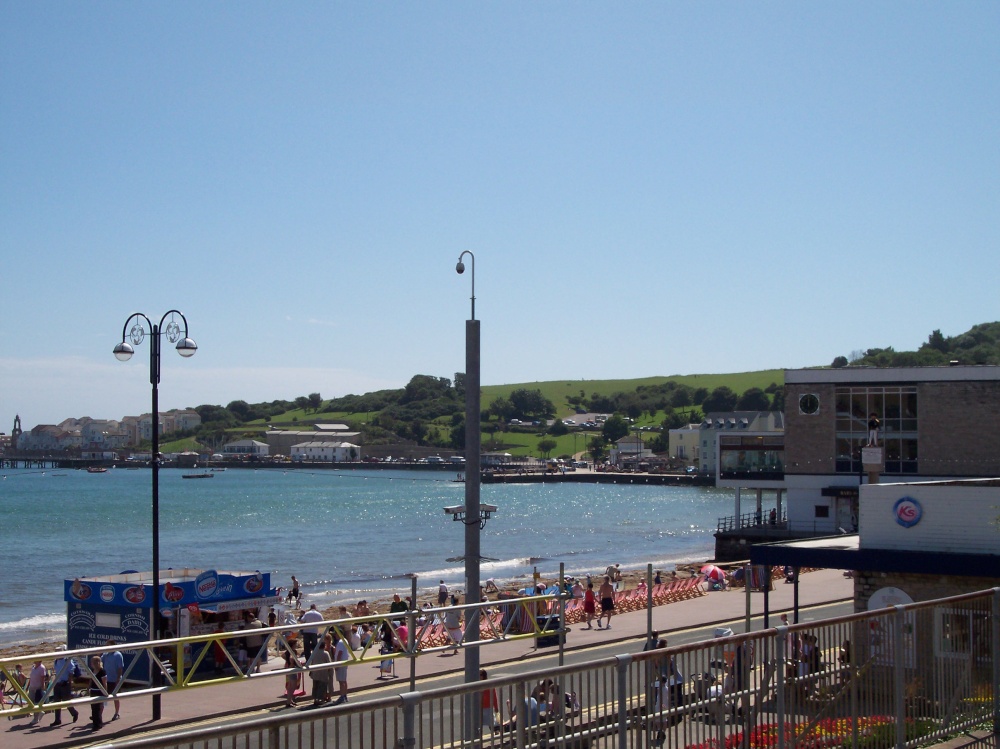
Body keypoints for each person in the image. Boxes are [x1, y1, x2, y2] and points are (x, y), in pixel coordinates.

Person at [51, 645, 80, 725]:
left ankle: (74, 713)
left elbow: (71, 671)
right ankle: (57, 720)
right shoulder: (56, 661)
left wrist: (68, 682)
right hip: (58, 683)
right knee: (56, 702)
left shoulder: (67, 660)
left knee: (66, 701)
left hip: (65, 683)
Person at [101, 640, 125, 720]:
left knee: (115, 697)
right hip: (107, 679)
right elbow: (100, 662)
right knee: (103, 696)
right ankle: (99, 714)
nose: (107, 647)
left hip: (115, 679)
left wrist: (118, 678)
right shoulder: (105, 655)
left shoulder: (118, 655)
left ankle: (117, 713)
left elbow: (120, 668)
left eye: (108, 645)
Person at [310, 634, 333, 704]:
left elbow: (312, 662)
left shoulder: (314, 653)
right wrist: (330, 671)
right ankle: (320, 699)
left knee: (315, 686)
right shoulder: (325, 653)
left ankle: (315, 699)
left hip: (315, 672)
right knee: (322, 686)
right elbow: (329, 663)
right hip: (323, 673)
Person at [88, 654, 107, 730]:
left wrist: (105, 692)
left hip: (99, 691)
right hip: (93, 690)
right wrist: (89, 687)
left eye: (92, 662)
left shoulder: (102, 671)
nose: (91, 664)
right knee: (93, 708)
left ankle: (98, 724)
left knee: (97, 709)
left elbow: (104, 682)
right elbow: (91, 679)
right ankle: (94, 723)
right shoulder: (93, 670)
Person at [331, 630, 351, 705]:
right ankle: (344, 695)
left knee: (341, 681)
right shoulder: (344, 640)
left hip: (341, 663)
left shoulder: (340, 642)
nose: (335, 635)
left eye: (335, 634)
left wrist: (337, 665)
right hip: (344, 662)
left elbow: (340, 653)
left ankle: (342, 696)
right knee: (344, 680)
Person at [27, 658, 47, 725]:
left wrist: (42, 687)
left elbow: (42, 679)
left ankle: (35, 719)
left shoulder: (42, 668)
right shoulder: (33, 667)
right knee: (30, 702)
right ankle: (40, 712)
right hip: (31, 687)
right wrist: (27, 686)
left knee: (36, 703)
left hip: (37, 688)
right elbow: (31, 677)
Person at [480, 669, 500, 733]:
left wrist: (496, 707)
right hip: (480, 707)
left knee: (492, 723)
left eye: (480, 675)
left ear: (483, 676)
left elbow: (494, 697)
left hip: (488, 707)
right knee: (479, 724)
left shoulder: (489, 684)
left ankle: (497, 733)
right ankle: (478, 737)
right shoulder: (477, 684)